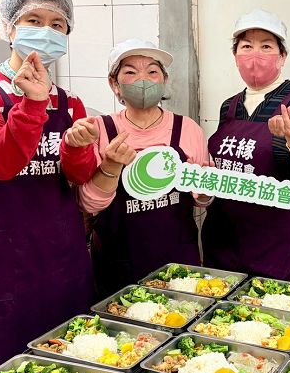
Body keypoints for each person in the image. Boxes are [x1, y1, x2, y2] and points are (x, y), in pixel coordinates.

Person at [0, 0, 98, 373]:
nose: (46, 30)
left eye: (57, 24)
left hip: (59, 258)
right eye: (34, 20)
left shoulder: (69, 102)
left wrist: (79, 148)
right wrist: (32, 103)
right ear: (9, 28)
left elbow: (79, 176)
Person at [202, 9, 290, 281]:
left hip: (273, 248)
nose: (255, 55)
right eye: (246, 46)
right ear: (235, 56)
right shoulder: (229, 106)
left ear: (282, 57)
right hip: (222, 242)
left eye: (266, 46)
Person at [79, 39, 212, 297]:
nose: (143, 80)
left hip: (178, 262)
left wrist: (205, 191)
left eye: (152, 71)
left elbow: (201, 201)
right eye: (130, 72)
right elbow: (88, 203)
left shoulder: (188, 129)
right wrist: (111, 165)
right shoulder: (99, 129)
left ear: (164, 80)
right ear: (114, 84)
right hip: (118, 264)